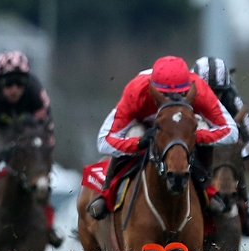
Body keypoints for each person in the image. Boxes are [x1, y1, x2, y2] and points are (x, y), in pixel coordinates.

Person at [88, 55, 239, 220]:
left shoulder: (200, 90)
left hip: (182, 129)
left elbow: (231, 131)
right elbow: (104, 141)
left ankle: (206, 189)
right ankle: (107, 192)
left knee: (202, 125)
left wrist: (195, 136)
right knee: (134, 134)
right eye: (164, 95)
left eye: (181, 94)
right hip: (145, 127)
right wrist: (138, 143)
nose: (173, 100)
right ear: (153, 89)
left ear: (188, 87)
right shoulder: (136, 91)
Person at [0, 50, 62, 247]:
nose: (14, 89)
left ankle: (48, 227)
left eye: (19, 83)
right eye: (8, 84)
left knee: (40, 181)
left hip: (28, 141)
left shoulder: (37, 94)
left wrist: (42, 159)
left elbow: (47, 133)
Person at [192, 56, 249, 238]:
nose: (213, 97)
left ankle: (245, 213)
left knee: (230, 154)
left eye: (218, 92)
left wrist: (231, 155)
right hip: (191, 155)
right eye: (207, 91)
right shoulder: (185, 100)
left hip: (223, 157)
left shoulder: (234, 100)